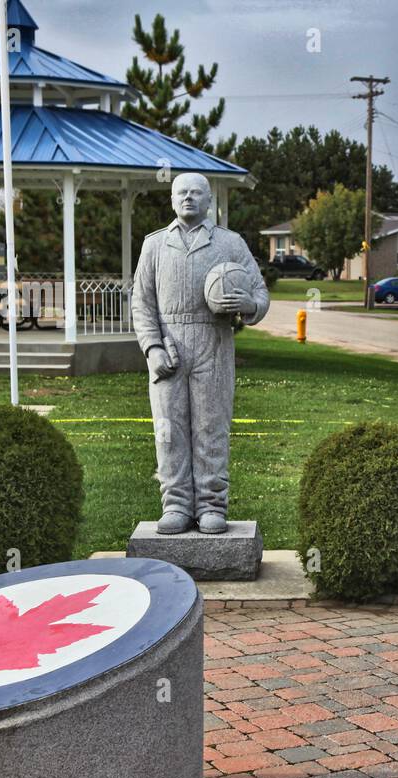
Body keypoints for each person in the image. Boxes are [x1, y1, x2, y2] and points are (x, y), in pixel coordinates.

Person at [132, 172, 270, 535]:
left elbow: (260, 292)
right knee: (169, 430)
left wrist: (249, 304)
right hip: (170, 346)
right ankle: (175, 503)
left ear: (210, 201)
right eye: (181, 193)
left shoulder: (230, 243)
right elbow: (142, 303)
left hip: (214, 341)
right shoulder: (155, 245)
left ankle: (211, 504)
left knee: (211, 427)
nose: (188, 198)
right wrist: (153, 347)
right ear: (172, 200)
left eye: (196, 193)